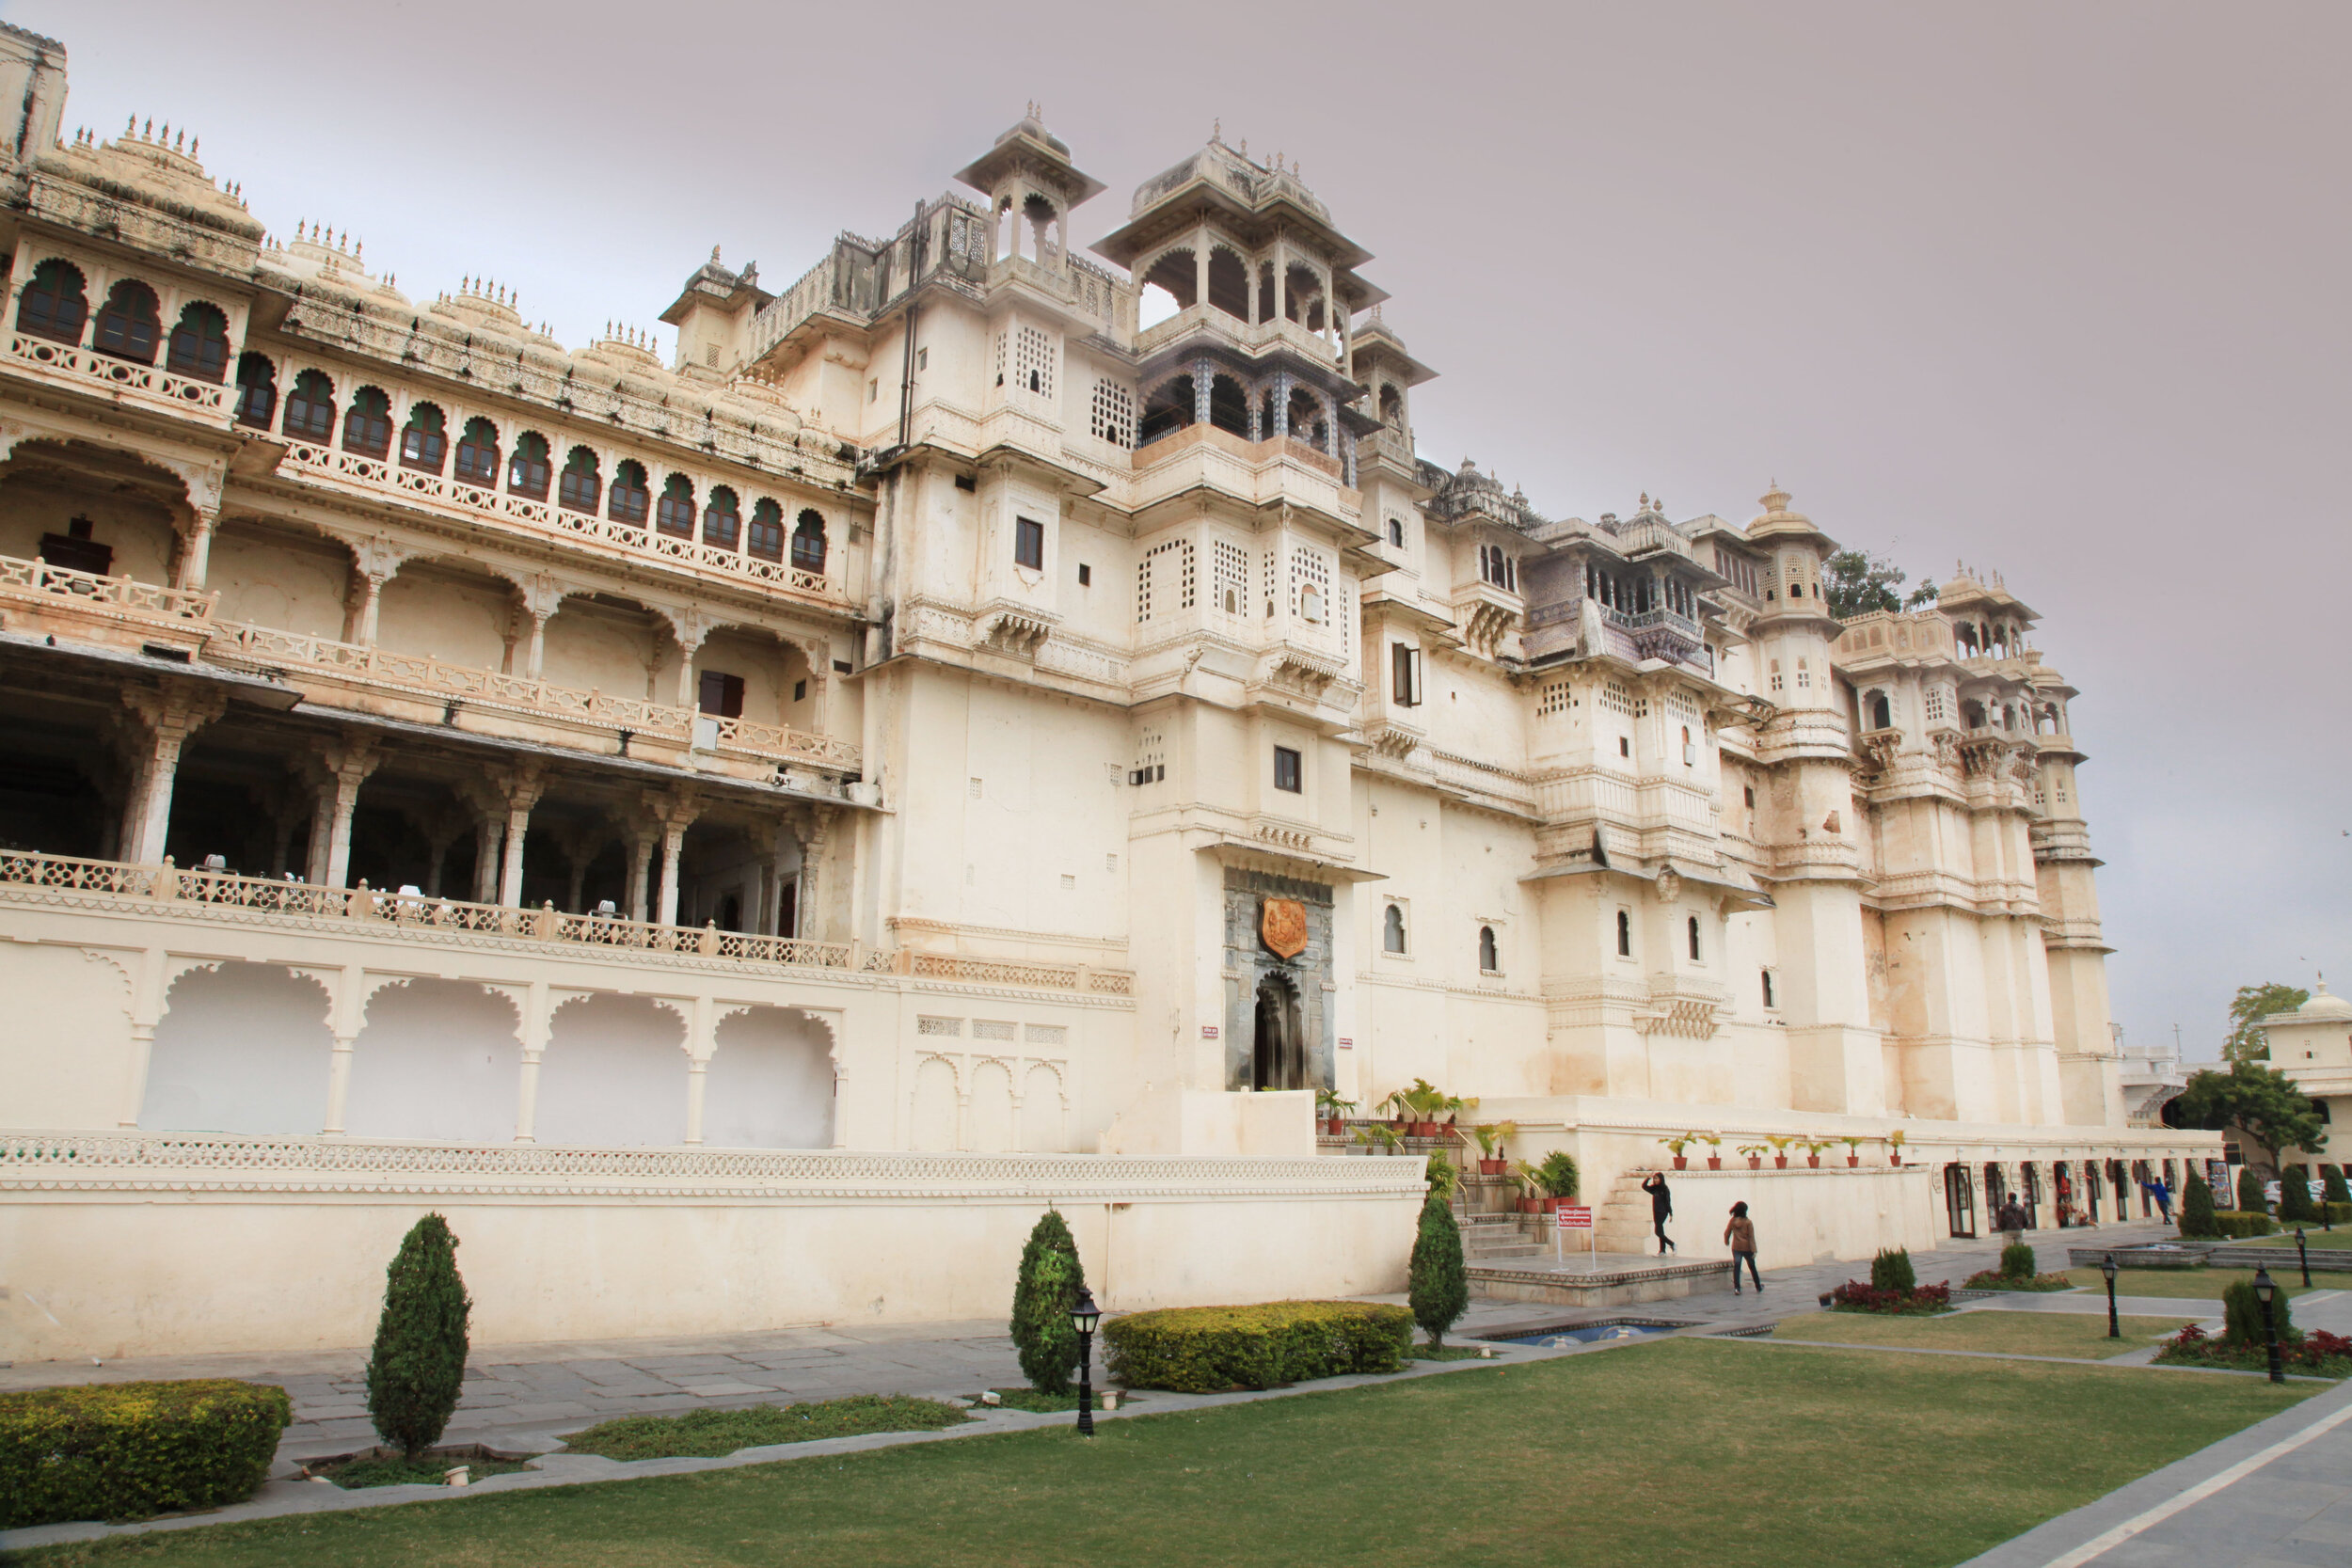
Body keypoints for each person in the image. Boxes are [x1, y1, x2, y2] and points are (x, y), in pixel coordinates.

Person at [1724, 1202, 1762, 1294]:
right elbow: (1751, 1237)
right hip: (1747, 1248)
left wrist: (1727, 1241)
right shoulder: (1748, 1222)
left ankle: (1737, 1288)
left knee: (1737, 1267)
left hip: (1736, 1248)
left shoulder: (1732, 1221)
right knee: (1752, 1267)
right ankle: (1758, 1286)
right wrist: (1754, 1250)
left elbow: (1727, 1233)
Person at [1642, 1171, 1676, 1255]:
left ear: (1661, 1179)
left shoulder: (1665, 1189)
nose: (1655, 1180)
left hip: (1662, 1212)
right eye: (1654, 1178)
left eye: (1657, 1178)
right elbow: (1644, 1186)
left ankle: (1672, 1244)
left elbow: (1668, 1201)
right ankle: (1662, 1250)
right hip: (1656, 1212)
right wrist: (1648, 1178)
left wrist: (1670, 1213)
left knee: (1658, 1232)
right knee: (1660, 1231)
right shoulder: (1654, 1189)